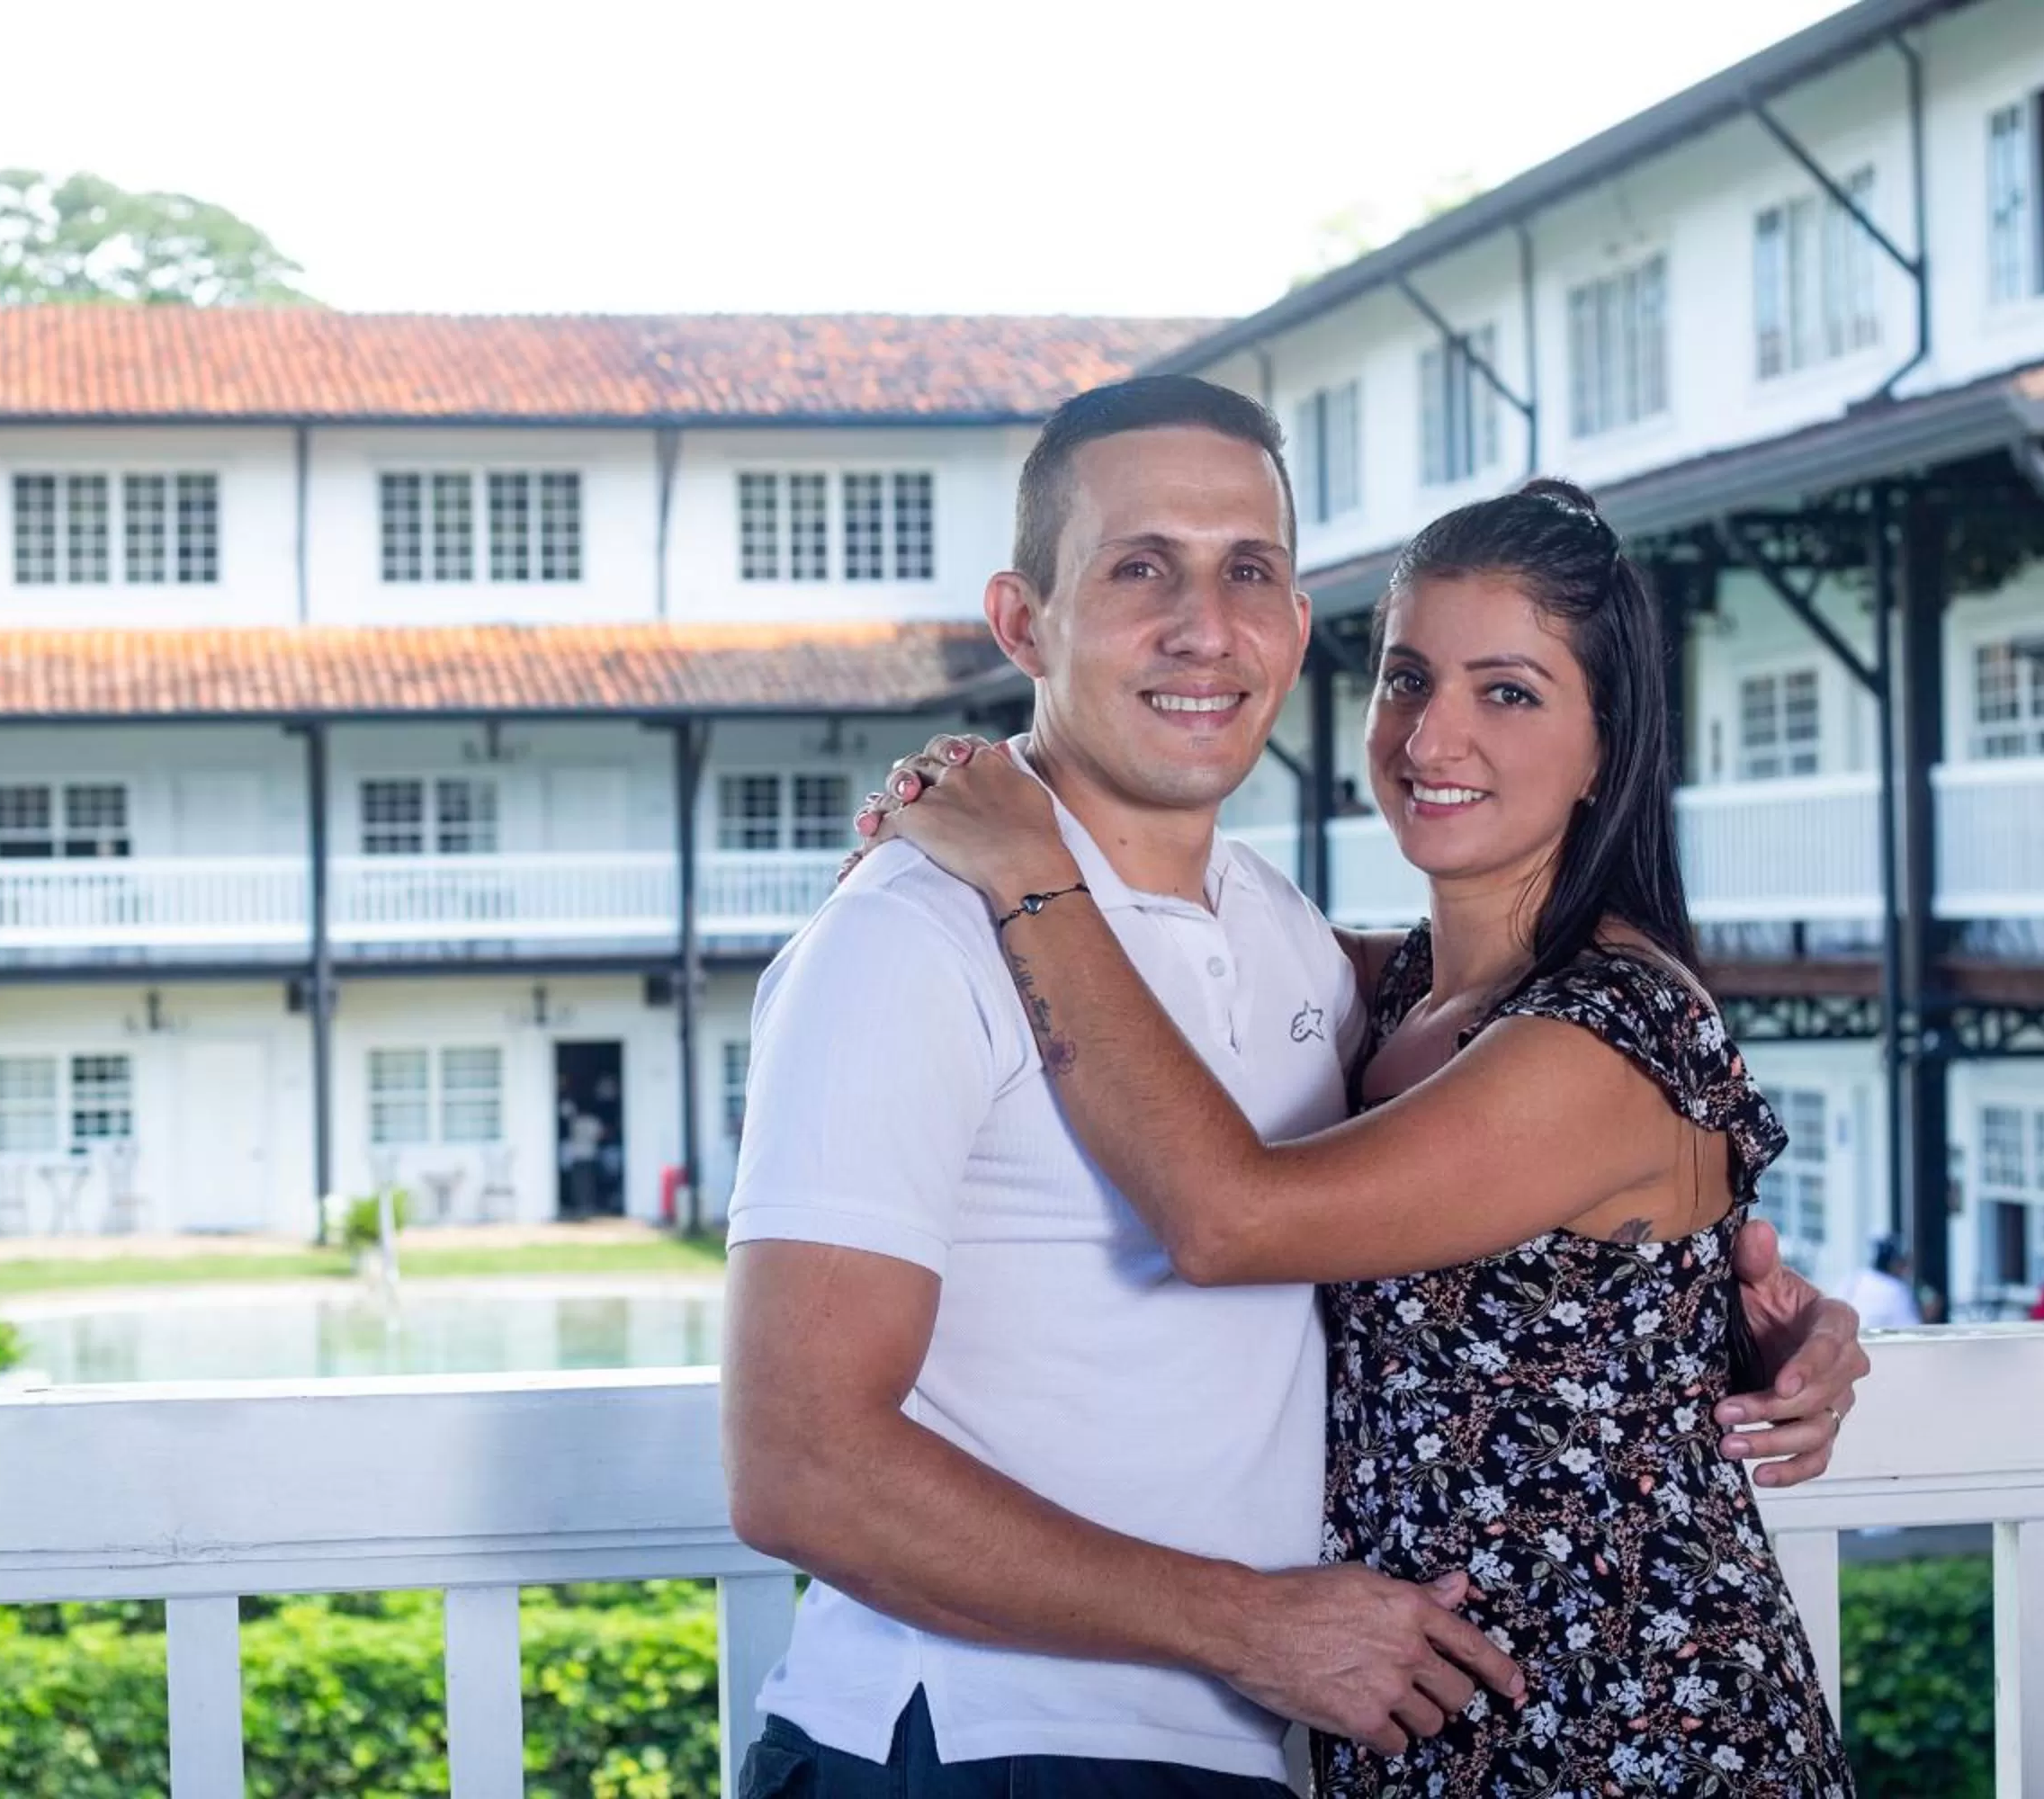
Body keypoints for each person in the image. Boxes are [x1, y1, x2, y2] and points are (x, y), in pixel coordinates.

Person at [721, 376, 1866, 1799]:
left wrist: (1738, 1320)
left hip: (1561, 1729)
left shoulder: (1300, 954)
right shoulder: (923, 937)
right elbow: (797, 1466)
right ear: (1025, 624)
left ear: (1288, 625)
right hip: (986, 1741)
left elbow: (1254, 1214)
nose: (1204, 625)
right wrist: (1248, 1626)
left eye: (1246, 570)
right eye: (1143, 567)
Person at [1840, 1237, 1923, 1330]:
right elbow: (1911, 1330)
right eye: (1903, 1263)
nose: (1906, 1269)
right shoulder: (1897, 1291)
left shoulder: (1853, 1279)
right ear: (1894, 1263)